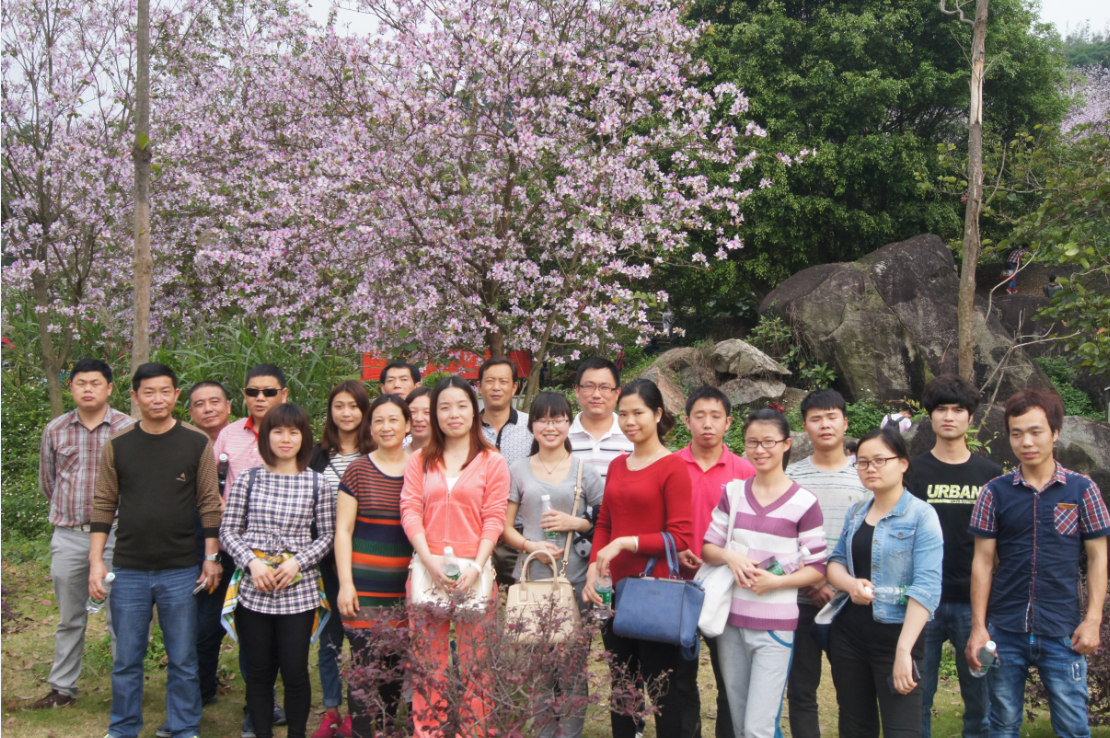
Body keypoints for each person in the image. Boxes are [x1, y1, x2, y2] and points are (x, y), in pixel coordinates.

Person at [88, 363, 223, 738]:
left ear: (176, 395)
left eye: (165, 391)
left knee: (183, 657)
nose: (157, 399)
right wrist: (95, 560)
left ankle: (184, 727)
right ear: (134, 397)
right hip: (129, 568)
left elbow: (210, 502)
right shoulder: (118, 445)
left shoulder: (197, 443)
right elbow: (103, 503)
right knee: (127, 658)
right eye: (148, 392)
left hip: (180, 568)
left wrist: (211, 557)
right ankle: (123, 727)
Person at [967, 389, 1108, 738]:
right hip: (1005, 630)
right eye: (1017, 433)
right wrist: (978, 627)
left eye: (1036, 431)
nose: (1026, 442)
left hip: (1063, 630)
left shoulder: (1082, 490)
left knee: (1073, 727)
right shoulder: (994, 492)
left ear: (1055, 432)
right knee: (1002, 725)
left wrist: (1093, 620)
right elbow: (983, 563)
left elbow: (1098, 556)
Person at [583, 378, 699, 738]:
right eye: (624, 414)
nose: (630, 421)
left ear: (658, 413)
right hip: (613, 589)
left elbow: (679, 536)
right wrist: (593, 569)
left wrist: (625, 543)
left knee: (661, 685)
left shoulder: (673, 466)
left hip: (655, 591)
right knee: (621, 681)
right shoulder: (618, 465)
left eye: (638, 413)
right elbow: (604, 521)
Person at [702, 408, 826, 738]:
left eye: (768, 441)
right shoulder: (733, 493)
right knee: (741, 722)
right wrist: (730, 556)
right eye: (752, 442)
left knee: (758, 727)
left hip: (775, 626)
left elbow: (817, 567)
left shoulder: (804, 502)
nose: (760, 450)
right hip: (730, 621)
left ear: (786, 444)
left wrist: (778, 581)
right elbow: (708, 548)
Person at [399, 376, 510, 737]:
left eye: (461, 405)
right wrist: (428, 559)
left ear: (473, 410)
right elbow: (410, 510)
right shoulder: (420, 460)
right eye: (444, 406)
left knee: (477, 663)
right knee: (428, 662)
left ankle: (476, 731)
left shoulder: (492, 461)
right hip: (428, 568)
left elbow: (494, 517)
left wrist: (478, 566)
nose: (453, 413)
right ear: (434, 414)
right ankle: (427, 731)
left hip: (474, 570)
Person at [220, 403, 337, 738]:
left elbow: (327, 535)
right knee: (258, 673)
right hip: (255, 586)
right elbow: (229, 530)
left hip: (297, 588)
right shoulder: (249, 479)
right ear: (266, 436)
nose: (286, 439)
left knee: (296, 670)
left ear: (304, 437)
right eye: (278, 431)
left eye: (294, 432)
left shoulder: (317, 484)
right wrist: (252, 562)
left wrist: (298, 561)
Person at [825, 427, 943, 738]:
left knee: (902, 729)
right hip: (849, 636)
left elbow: (927, 588)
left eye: (879, 460)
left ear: (903, 463)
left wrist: (904, 651)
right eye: (862, 462)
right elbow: (835, 563)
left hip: (897, 637)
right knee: (855, 726)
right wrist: (851, 585)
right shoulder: (856, 512)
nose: (870, 468)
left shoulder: (922, 516)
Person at [31, 359, 134, 710]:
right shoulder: (55, 429)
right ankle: (62, 689)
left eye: (95, 383)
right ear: (71, 388)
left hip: (120, 536)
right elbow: (49, 482)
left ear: (109, 388)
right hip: (70, 535)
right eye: (80, 383)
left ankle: (125, 690)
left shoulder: (128, 428)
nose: (87, 389)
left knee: (121, 616)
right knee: (69, 616)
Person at [905, 375, 1002, 738]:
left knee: (983, 699)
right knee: (917, 696)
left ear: (970, 418)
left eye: (958, 409)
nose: (949, 416)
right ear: (930, 417)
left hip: (976, 606)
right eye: (941, 409)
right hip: (921, 601)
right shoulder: (911, 472)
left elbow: (997, 546)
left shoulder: (991, 476)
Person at [784, 389, 870, 738]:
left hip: (850, 602)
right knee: (802, 689)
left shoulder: (865, 475)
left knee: (854, 690)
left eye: (832, 416)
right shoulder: (792, 476)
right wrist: (814, 583)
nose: (825, 424)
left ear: (845, 422)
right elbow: (783, 538)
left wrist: (843, 585)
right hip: (802, 600)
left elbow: (871, 538)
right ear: (805, 426)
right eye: (816, 418)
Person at [213, 363, 291, 736]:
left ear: (284, 394)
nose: (260, 398)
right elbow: (209, 485)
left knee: (285, 636)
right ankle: (256, 705)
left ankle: (271, 700)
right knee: (251, 633)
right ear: (243, 396)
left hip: (287, 558)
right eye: (253, 392)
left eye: (269, 391)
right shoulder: (229, 435)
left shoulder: (294, 434)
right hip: (239, 550)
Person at [674, 386, 756, 738]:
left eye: (716, 417)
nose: (707, 424)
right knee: (679, 678)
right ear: (686, 420)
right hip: (677, 585)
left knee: (730, 678)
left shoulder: (745, 470)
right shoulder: (670, 465)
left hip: (727, 587)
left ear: (728, 423)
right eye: (699, 416)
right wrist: (673, 548)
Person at [155, 381, 235, 738]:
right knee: (199, 624)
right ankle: (200, 692)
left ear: (229, 406)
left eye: (214, 401)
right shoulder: (177, 441)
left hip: (243, 543)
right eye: (199, 404)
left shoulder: (246, 438)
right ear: (189, 411)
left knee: (248, 626)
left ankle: (263, 701)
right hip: (192, 544)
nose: (208, 409)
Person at [335, 394, 414, 738]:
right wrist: (346, 583)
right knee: (365, 668)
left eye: (393, 419)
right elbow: (343, 530)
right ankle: (365, 733)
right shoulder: (358, 470)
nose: (386, 427)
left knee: (396, 670)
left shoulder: (420, 468)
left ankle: (384, 727)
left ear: (408, 425)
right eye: (378, 420)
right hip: (364, 588)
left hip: (407, 588)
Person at [308, 381, 376, 738]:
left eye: (353, 406)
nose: (346, 413)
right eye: (339, 406)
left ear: (364, 411)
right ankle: (331, 710)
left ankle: (361, 709)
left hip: (366, 559)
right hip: (324, 559)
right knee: (330, 637)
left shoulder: (376, 451)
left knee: (365, 641)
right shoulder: (317, 455)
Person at [479, 357, 534, 586]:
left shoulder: (532, 426)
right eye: (489, 381)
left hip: (520, 531)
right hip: (477, 532)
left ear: (514, 387)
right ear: (479, 386)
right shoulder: (467, 428)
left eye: (503, 381)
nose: (496, 387)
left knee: (517, 606)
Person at [568, 357, 634, 481]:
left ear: (617, 393)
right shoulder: (561, 436)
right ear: (577, 390)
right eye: (589, 386)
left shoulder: (633, 435)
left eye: (604, 387)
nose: (597, 395)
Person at [405, 386, 433, 452]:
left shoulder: (449, 455)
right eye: (412, 412)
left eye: (427, 412)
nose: (419, 419)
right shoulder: (396, 451)